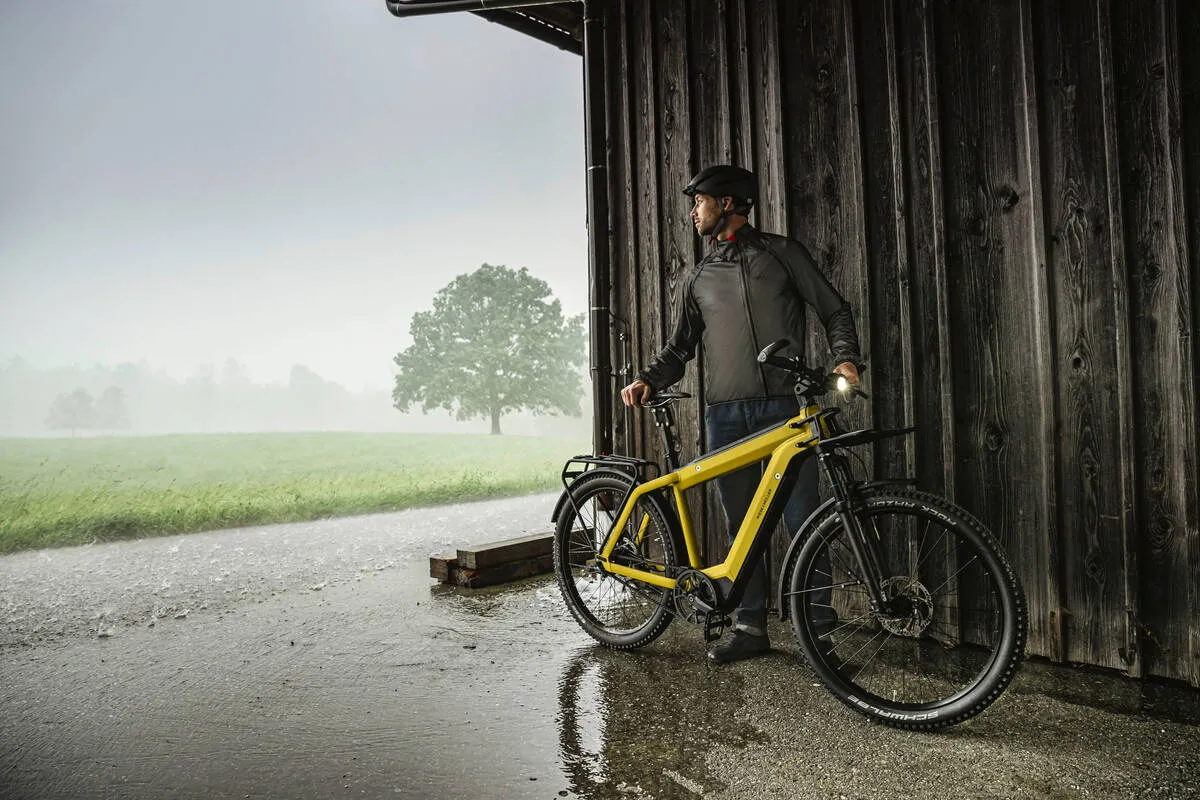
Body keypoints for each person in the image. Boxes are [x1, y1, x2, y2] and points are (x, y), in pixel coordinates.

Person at [620, 164, 863, 664]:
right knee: (743, 529)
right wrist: (648, 378)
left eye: (699, 201)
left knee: (807, 523)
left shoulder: (783, 254)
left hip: (785, 409)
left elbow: (835, 309)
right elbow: (678, 348)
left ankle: (818, 634)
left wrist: (845, 357)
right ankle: (750, 627)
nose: (693, 211)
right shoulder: (699, 277)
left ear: (727, 203)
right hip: (725, 417)